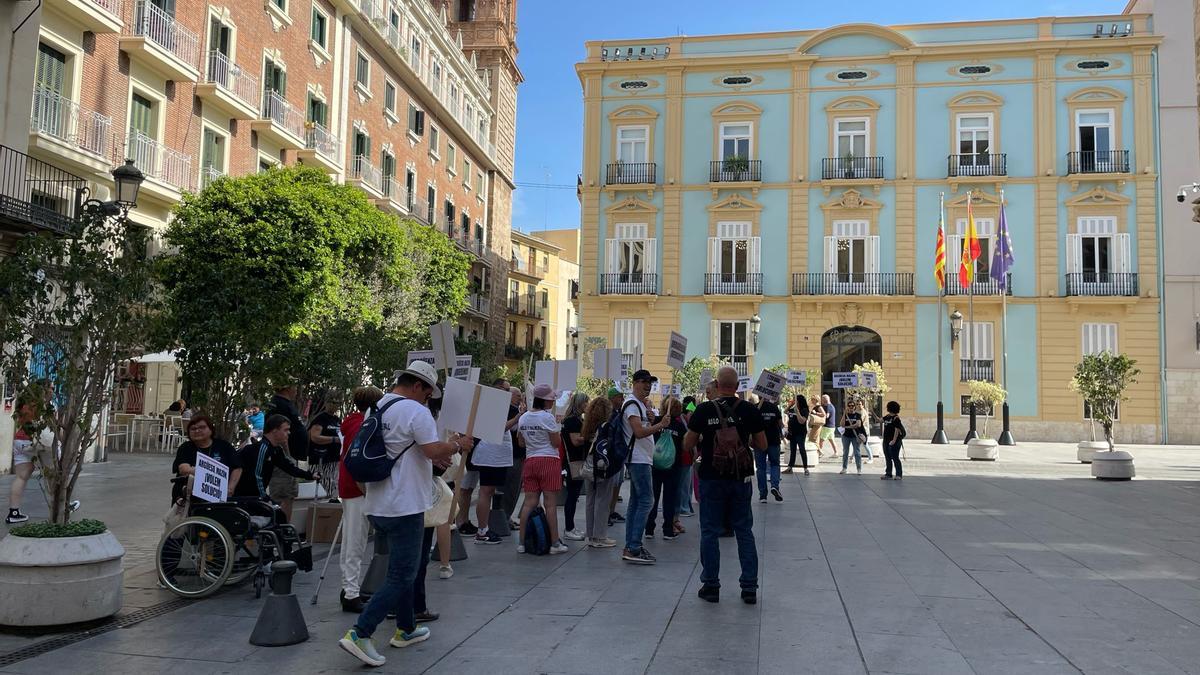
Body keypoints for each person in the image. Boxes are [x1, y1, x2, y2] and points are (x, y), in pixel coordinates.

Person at [338, 362, 470, 668]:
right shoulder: (415, 411)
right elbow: (433, 450)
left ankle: (407, 628)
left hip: (378, 503)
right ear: (418, 386)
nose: (428, 399)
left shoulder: (378, 407)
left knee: (407, 565)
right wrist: (457, 444)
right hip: (405, 504)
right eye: (427, 392)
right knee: (403, 574)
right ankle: (360, 632)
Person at [684, 367, 766, 605]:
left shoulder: (704, 409)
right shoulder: (749, 409)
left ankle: (711, 586)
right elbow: (761, 444)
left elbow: (687, 444)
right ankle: (749, 587)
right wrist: (741, 439)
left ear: (717, 385)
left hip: (711, 477)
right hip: (740, 478)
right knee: (744, 530)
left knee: (709, 531)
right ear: (738, 385)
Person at [338, 386, 384, 613]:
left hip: (348, 486)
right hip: (358, 488)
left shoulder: (352, 422)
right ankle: (351, 593)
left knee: (350, 539)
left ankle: (348, 587)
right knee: (355, 541)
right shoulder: (363, 425)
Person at [621, 369, 670, 565]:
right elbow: (639, 433)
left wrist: (651, 420)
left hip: (641, 459)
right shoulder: (632, 404)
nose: (647, 385)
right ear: (634, 383)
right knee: (646, 501)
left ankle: (631, 546)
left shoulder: (640, 405)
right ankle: (634, 546)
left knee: (636, 502)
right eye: (643, 381)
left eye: (650, 382)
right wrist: (660, 424)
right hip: (638, 459)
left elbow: (642, 429)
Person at [515, 383, 568, 554]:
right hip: (549, 460)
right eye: (552, 399)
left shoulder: (523, 418)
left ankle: (522, 543)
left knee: (528, 503)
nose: (553, 402)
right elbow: (556, 443)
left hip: (530, 461)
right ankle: (554, 543)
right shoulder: (547, 418)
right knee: (550, 504)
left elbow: (521, 442)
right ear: (544, 401)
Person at [234, 415, 316, 506]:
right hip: (245, 498)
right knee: (277, 514)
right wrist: (264, 498)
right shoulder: (262, 448)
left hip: (256, 498)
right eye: (285, 430)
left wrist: (310, 475)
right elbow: (256, 476)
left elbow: (289, 468)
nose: (289, 433)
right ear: (274, 430)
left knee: (280, 516)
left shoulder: (275, 450)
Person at [470, 379, 515, 545]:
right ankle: (482, 530)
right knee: (486, 491)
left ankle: (484, 528)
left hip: (496, 455)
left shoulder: (498, 407)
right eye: (506, 389)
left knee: (488, 492)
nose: (509, 393)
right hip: (490, 455)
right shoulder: (490, 407)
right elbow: (500, 427)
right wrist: (518, 417)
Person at [171, 415, 242, 503]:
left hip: (220, 496)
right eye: (193, 429)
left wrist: (229, 489)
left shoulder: (224, 446)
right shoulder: (186, 447)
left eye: (202, 427)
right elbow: (184, 470)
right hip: (190, 495)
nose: (197, 431)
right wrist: (214, 474)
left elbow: (237, 468)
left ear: (211, 429)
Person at [265, 384, 309, 521]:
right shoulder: (280, 405)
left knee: (288, 495)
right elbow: (280, 431)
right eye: (294, 387)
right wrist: (287, 455)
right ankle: (283, 531)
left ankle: (284, 529)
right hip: (284, 457)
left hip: (290, 456)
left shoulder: (285, 404)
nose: (296, 389)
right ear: (287, 388)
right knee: (284, 495)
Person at [581, 396, 618, 548]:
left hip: (589, 467)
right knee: (603, 500)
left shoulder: (587, 425)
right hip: (602, 468)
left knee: (590, 500)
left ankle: (590, 534)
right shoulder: (607, 426)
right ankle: (600, 536)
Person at [646, 396, 685, 540]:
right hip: (673, 467)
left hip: (655, 465)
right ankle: (668, 529)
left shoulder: (656, 422)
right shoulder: (679, 426)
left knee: (653, 497)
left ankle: (649, 528)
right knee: (670, 498)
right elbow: (683, 445)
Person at [560, 392, 590, 542]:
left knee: (574, 495)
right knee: (572, 496)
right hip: (573, 461)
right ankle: (569, 528)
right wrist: (591, 436)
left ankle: (570, 526)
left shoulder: (576, 419)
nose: (588, 405)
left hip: (576, 460)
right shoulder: (572, 420)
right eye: (585, 402)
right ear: (579, 404)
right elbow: (575, 441)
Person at [6, 400, 40, 524]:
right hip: (29, 441)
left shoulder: (24, 402)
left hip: (19, 440)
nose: (52, 391)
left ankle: (13, 513)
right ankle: (63, 506)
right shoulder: (37, 404)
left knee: (21, 477)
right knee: (53, 469)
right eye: (51, 388)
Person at [308, 398, 343, 500]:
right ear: (326, 403)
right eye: (332, 402)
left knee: (334, 489)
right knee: (325, 488)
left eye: (337, 403)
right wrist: (334, 439)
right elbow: (314, 437)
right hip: (321, 460)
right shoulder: (320, 419)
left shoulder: (337, 419)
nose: (335, 405)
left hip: (334, 460)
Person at [501, 386, 525, 528]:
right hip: (512, 455)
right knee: (510, 488)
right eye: (517, 395)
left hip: (516, 455)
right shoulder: (509, 410)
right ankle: (504, 516)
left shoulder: (517, 410)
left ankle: (507, 515)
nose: (520, 398)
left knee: (513, 488)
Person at [754, 394, 784, 503]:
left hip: (759, 441)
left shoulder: (755, 407)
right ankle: (774, 486)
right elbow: (781, 424)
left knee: (760, 468)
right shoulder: (774, 408)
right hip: (774, 441)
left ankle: (763, 495)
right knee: (775, 464)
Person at [605, 386, 626, 527]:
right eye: (619, 397)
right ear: (612, 398)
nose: (622, 400)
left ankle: (611, 511)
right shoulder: (609, 414)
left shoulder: (620, 412)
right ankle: (606, 513)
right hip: (611, 455)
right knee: (609, 486)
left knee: (617, 484)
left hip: (619, 455)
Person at [676, 397, 697, 519]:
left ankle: (686, 505)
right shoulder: (681, 423)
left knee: (688, 484)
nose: (692, 415)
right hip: (684, 457)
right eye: (691, 413)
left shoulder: (687, 423)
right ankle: (683, 507)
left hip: (688, 458)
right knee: (684, 484)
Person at [783, 394, 810, 474]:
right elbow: (785, 412)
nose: (794, 401)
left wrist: (797, 412)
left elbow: (802, 421)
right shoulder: (792, 409)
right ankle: (790, 467)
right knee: (793, 450)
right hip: (792, 433)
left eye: (795, 400)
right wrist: (790, 405)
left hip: (800, 433)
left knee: (802, 449)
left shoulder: (804, 410)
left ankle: (805, 468)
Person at [881, 400, 906, 481]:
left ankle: (899, 474)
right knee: (887, 457)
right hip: (886, 440)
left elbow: (897, 430)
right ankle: (888, 474)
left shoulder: (896, 418)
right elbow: (879, 420)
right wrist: (872, 412)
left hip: (894, 441)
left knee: (895, 457)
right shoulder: (887, 416)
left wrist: (894, 440)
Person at [840, 400, 866, 476]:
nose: (851, 407)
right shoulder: (846, 415)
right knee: (845, 452)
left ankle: (859, 469)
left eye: (852, 406)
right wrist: (844, 414)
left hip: (855, 436)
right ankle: (844, 468)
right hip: (846, 436)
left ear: (855, 407)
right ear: (847, 407)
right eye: (849, 406)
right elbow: (842, 424)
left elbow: (858, 425)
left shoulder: (857, 415)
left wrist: (847, 427)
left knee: (857, 452)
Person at [818, 394, 838, 460]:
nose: (821, 401)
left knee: (821, 440)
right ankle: (836, 453)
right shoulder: (832, 406)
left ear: (825, 400)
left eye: (822, 400)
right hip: (832, 426)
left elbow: (827, 415)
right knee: (832, 440)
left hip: (827, 427)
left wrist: (819, 415)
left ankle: (820, 452)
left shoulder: (828, 407)